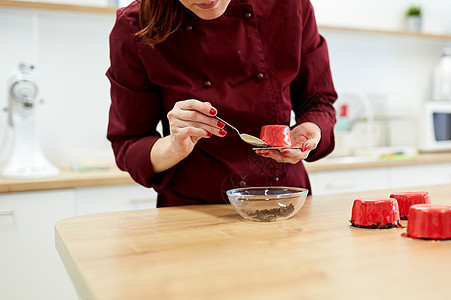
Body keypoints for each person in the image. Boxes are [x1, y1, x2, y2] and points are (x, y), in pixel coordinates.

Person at [106, 0, 338, 207]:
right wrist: (173, 147)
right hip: (194, 211)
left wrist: (312, 129)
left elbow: (319, 100)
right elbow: (129, 141)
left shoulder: (289, 6)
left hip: (283, 201)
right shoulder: (135, 25)